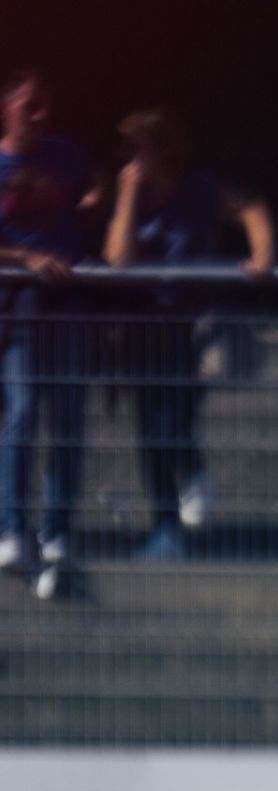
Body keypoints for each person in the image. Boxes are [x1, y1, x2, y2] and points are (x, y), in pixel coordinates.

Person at [103, 109, 276, 560]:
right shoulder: (132, 198)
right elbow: (118, 258)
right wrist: (127, 195)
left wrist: (262, 256)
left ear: (159, 150)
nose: (129, 159)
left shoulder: (200, 189)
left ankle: (194, 476)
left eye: (136, 149)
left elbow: (251, 209)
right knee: (150, 427)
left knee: (174, 416)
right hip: (144, 324)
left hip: (194, 321)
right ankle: (166, 526)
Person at [0, 70, 99, 600]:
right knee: (22, 409)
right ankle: (12, 528)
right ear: (8, 108)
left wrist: (90, 203)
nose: (39, 116)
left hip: (69, 304)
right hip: (19, 308)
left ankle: (56, 533)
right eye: (29, 106)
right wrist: (26, 257)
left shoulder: (65, 156)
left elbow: (96, 182)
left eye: (46, 106)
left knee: (69, 418)